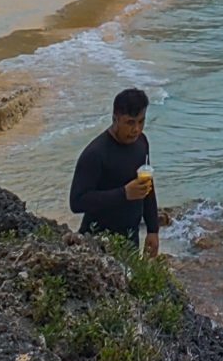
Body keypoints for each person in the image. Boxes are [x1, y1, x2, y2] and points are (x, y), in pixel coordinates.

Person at [69, 88, 160, 256]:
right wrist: (123, 193)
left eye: (141, 121)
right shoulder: (95, 153)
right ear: (115, 119)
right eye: (130, 122)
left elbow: (147, 187)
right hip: (97, 242)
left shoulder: (142, 143)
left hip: (130, 240)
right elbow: (76, 202)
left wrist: (153, 230)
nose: (136, 130)